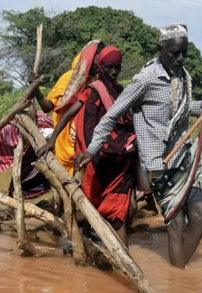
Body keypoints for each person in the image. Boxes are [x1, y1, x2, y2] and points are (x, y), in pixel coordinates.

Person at [76, 24, 202, 268]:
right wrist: (92, 149)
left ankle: (181, 277)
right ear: (160, 49)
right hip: (158, 164)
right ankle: (180, 281)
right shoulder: (145, 79)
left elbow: (180, 110)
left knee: (201, 217)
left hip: (182, 158)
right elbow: (111, 116)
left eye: (184, 52)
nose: (180, 57)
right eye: (174, 52)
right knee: (176, 225)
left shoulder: (180, 76)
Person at [49, 46, 137, 245]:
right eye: (109, 67)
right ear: (100, 66)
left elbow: (129, 120)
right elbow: (70, 112)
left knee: (118, 211)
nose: (114, 72)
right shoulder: (93, 90)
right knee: (90, 201)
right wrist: (52, 139)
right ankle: (86, 242)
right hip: (95, 157)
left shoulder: (120, 91)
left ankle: (124, 258)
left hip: (120, 159)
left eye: (117, 67)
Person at [33, 40, 103, 175]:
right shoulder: (68, 78)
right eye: (97, 57)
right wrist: (36, 89)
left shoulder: (99, 82)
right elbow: (47, 107)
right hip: (64, 138)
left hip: (88, 140)